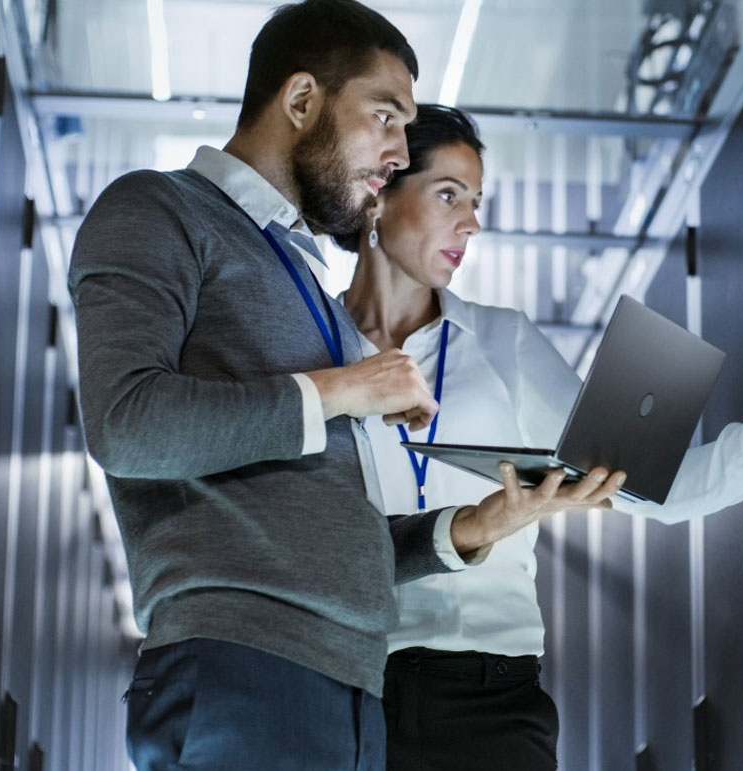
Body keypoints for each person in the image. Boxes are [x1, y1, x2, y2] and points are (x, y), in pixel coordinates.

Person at [69, 4, 622, 769]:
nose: (398, 152)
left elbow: (338, 537)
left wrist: (479, 522)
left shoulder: (299, 276)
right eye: (385, 117)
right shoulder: (159, 209)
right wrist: (339, 390)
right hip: (245, 666)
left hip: (350, 687)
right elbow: (127, 424)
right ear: (301, 102)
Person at [333, 104, 743, 770]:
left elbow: (653, 490)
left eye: (476, 201)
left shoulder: (506, 341)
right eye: (449, 195)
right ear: (381, 191)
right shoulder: (312, 351)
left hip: (492, 699)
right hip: (347, 687)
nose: (472, 222)